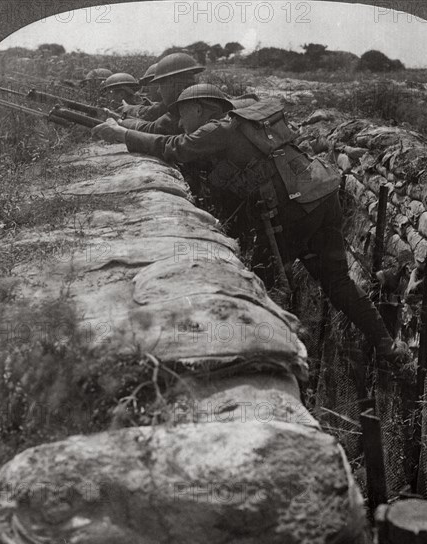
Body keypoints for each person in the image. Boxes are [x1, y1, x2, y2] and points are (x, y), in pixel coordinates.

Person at [92, 84, 407, 363]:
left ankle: (281, 360)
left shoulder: (215, 132)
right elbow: (168, 135)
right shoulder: (244, 124)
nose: (181, 123)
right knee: (338, 281)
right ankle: (385, 344)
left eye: (183, 115)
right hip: (323, 197)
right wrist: (126, 124)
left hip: (294, 212)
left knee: (260, 287)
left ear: (198, 108)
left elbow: (172, 146)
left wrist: (122, 135)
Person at [117, 52, 205, 135]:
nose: (158, 91)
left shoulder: (180, 110)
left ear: (172, 83)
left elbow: (152, 128)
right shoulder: (199, 101)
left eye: (160, 85)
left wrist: (120, 120)